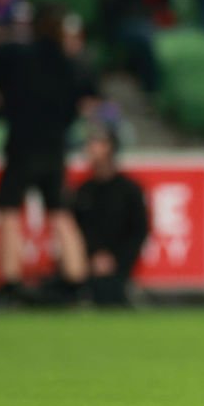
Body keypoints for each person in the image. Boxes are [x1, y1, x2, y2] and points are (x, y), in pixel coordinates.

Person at [0, 3, 91, 305]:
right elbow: (79, 104)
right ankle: (75, 277)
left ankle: (10, 279)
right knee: (59, 211)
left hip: (23, 143)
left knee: (9, 209)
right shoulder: (69, 63)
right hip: (54, 146)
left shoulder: (18, 55)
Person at [72, 124, 149, 306]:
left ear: (110, 148)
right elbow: (76, 231)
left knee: (110, 293)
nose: (90, 148)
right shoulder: (83, 191)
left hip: (118, 266)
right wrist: (92, 257)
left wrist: (116, 260)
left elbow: (139, 230)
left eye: (97, 143)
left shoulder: (129, 190)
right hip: (86, 264)